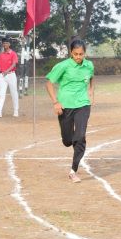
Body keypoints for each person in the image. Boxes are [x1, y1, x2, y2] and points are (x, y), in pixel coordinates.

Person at [45, 39, 94, 183]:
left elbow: (91, 77)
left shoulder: (89, 65)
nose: (78, 57)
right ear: (71, 53)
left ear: (85, 53)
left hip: (83, 105)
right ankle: (72, 142)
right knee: (68, 141)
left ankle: (73, 170)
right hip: (65, 106)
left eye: (81, 54)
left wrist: (91, 92)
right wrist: (55, 102)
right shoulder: (63, 66)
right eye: (76, 54)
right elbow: (49, 83)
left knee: (80, 137)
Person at [0, 37, 19, 118]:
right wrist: (0, 74)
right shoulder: (1, 54)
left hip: (11, 75)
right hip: (2, 76)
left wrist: (7, 71)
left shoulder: (13, 53)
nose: (5, 44)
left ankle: (16, 110)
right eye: (4, 43)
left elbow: (14, 64)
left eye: (7, 43)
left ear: (9, 44)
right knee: (1, 94)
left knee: (14, 93)